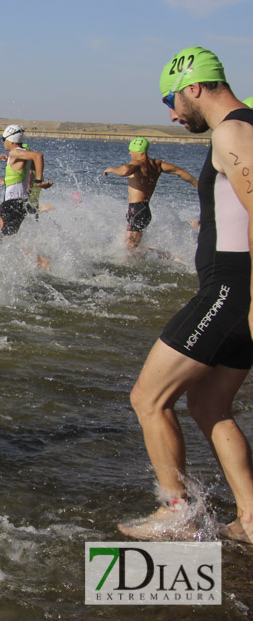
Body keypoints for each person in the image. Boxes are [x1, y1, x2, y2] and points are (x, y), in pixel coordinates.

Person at [118, 46, 253, 544]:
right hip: (237, 289)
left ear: (193, 86)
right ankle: (251, 519)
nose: (172, 113)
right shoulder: (245, 127)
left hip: (232, 289)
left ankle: (178, 513)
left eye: (171, 100)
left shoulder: (233, 132)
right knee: (209, 406)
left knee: (148, 398)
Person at [102, 137, 198, 251]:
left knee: (130, 248)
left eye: (130, 150)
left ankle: (165, 257)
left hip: (136, 209)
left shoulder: (138, 163)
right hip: (144, 209)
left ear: (137, 150)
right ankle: (159, 258)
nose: (129, 153)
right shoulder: (157, 164)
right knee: (130, 246)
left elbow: (125, 170)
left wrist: (111, 169)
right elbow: (180, 172)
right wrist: (197, 185)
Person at [0, 125, 52, 236]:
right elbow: (27, 168)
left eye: (3, 139)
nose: (3, 142)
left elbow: (38, 156)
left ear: (11, 141)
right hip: (21, 205)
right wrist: (9, 160)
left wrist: (39, 181)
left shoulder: (14, 153)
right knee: (6, 241)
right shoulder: (20, 153)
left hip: (11, 204)